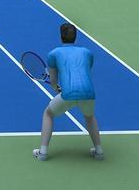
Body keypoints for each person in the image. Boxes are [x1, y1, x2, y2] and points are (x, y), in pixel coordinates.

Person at [34, 22, 104, 162]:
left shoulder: (53, 54)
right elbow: (85, 72)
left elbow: (53, 80)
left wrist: (55, 87)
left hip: (69, 94)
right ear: (75, 37)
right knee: (89, 116)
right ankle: (99, 151)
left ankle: (43, 152)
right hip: (89, 93)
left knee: (48, 113)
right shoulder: (87, 53)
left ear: (61, 37)